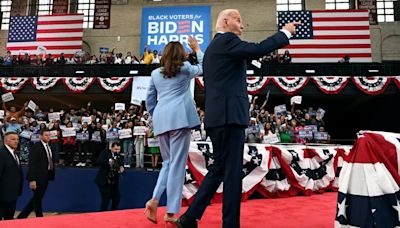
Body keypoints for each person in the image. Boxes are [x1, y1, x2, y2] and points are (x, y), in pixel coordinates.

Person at [176, 9, 298, 228]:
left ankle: (190, 217)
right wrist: (285, 33)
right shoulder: (228, 41)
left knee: (219, 169)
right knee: (232, 173)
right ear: (225, 22)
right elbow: (258, 49)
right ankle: (229, 224)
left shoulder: (215, 46)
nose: (243, 24)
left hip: (217, 117)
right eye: (238, 19)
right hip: (230, 117)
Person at [145, 37, 203, 225]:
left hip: (161, 120)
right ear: (181, 55)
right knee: (176, 166)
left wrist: (157, 116)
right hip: (180, 120)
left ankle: (154, 200)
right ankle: (170, 212)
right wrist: (197, 49)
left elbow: (150, 101)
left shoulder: (155, 74)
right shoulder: (185, 68)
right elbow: (203, 68)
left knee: (168, 163)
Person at [18, 128, 55, 218]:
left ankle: (22, 216)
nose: (48, 137)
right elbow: (32, 164)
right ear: (40, 136)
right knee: (37, 198)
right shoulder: (36, 147)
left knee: (37, 198)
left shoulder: (48, 146)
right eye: (46, 135)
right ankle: (39, 217)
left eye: (49, 135)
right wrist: (32, 179)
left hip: (46, 176)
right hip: (37, 177)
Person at [95, 142, 124, 211]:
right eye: (115, 149)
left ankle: (113, 213)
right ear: (111, 148)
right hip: (104, 180)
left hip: (113, 181)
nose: (117, 151)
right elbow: (99, 161)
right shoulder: (105, 153)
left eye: (119, 149)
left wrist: (121, 168)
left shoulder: (119, 156)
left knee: (116, 198)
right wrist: (108, 162)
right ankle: (103, 214)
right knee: (106, 199)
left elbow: (121, 164)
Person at [0, 132, 23, 220]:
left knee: (9, 220)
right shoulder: (1, 154)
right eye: (13, 139)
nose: (16, 141)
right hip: (3, 195)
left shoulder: (14, 153)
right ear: (6, 141)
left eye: (17, 139)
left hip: (12, 194)